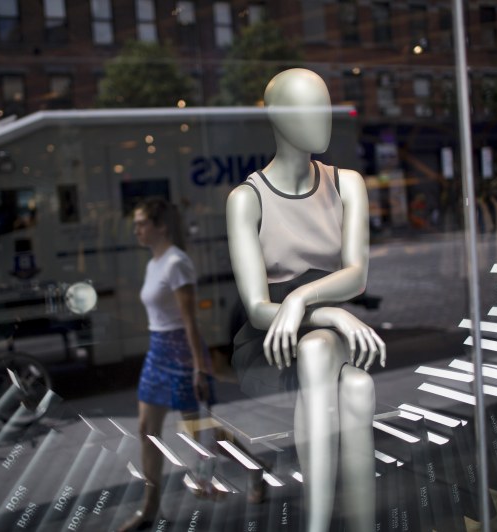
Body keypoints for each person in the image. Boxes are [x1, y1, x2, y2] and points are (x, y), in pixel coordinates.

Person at [226, 68, 386, 531]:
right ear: (277, 117)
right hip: (269, 344)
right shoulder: (247, 199)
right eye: (306, 106)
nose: (323, 116)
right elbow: (257, 309)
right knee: (347, 377)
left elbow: (356, 275)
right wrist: (327, 311)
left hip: (323, 340)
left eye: (325, 103)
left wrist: (303, 300)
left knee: (346, 375)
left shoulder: (346, 183)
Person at [119, 198, 214, 531]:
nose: (137, 229)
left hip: (180, 352)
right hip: (157, 350)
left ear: (161, 226)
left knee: (198, 431)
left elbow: (190, 321)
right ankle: (149, 509)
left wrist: (198, 367)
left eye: (142, 223)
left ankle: (256, 467)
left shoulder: (177, 263)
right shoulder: (153, 262)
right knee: (147, 430)